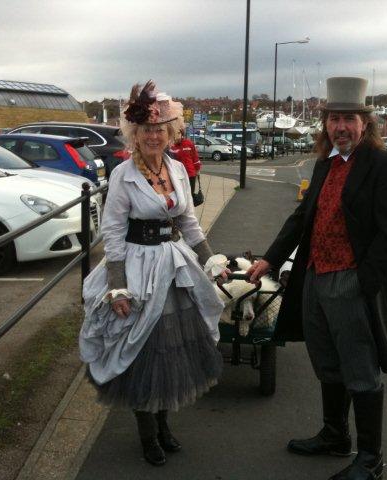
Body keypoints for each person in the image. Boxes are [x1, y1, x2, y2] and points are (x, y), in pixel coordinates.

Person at [247, 77, 387, 480]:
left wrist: (362, 284)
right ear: (326, 125)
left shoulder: (384, 167)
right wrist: (270, 260)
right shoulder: (325, 164)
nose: (341, 127)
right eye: (334, 119)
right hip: (315, 279)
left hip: (351, 284)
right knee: (327, 362)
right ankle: (336, 436)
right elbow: (302, 219)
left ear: (365, 124)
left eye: (348, 119)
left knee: (360, 369)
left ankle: (371, 459)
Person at [80, 80, 228, 467]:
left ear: (170, 133)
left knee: (172, 351)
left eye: (160, 129)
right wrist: (117, 287)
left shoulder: (177, 168)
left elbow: (189, 221)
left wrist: (211, 261)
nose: (153, 135)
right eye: (145, 129)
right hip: (136, 265)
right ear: (134, 133)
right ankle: (148, 436)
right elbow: (111, 233)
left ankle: (163, 426)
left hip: (173, 266)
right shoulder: (122, 175)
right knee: (144, 353)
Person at [170, 125, 201, 191]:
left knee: (190, 194)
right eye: (175, 134)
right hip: (178, 176)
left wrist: (197, 169)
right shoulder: (170, 146)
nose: (177, 136)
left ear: (182, 134)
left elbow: (195, 158)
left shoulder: (189, 143)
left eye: (178, 133)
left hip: (190, 174)